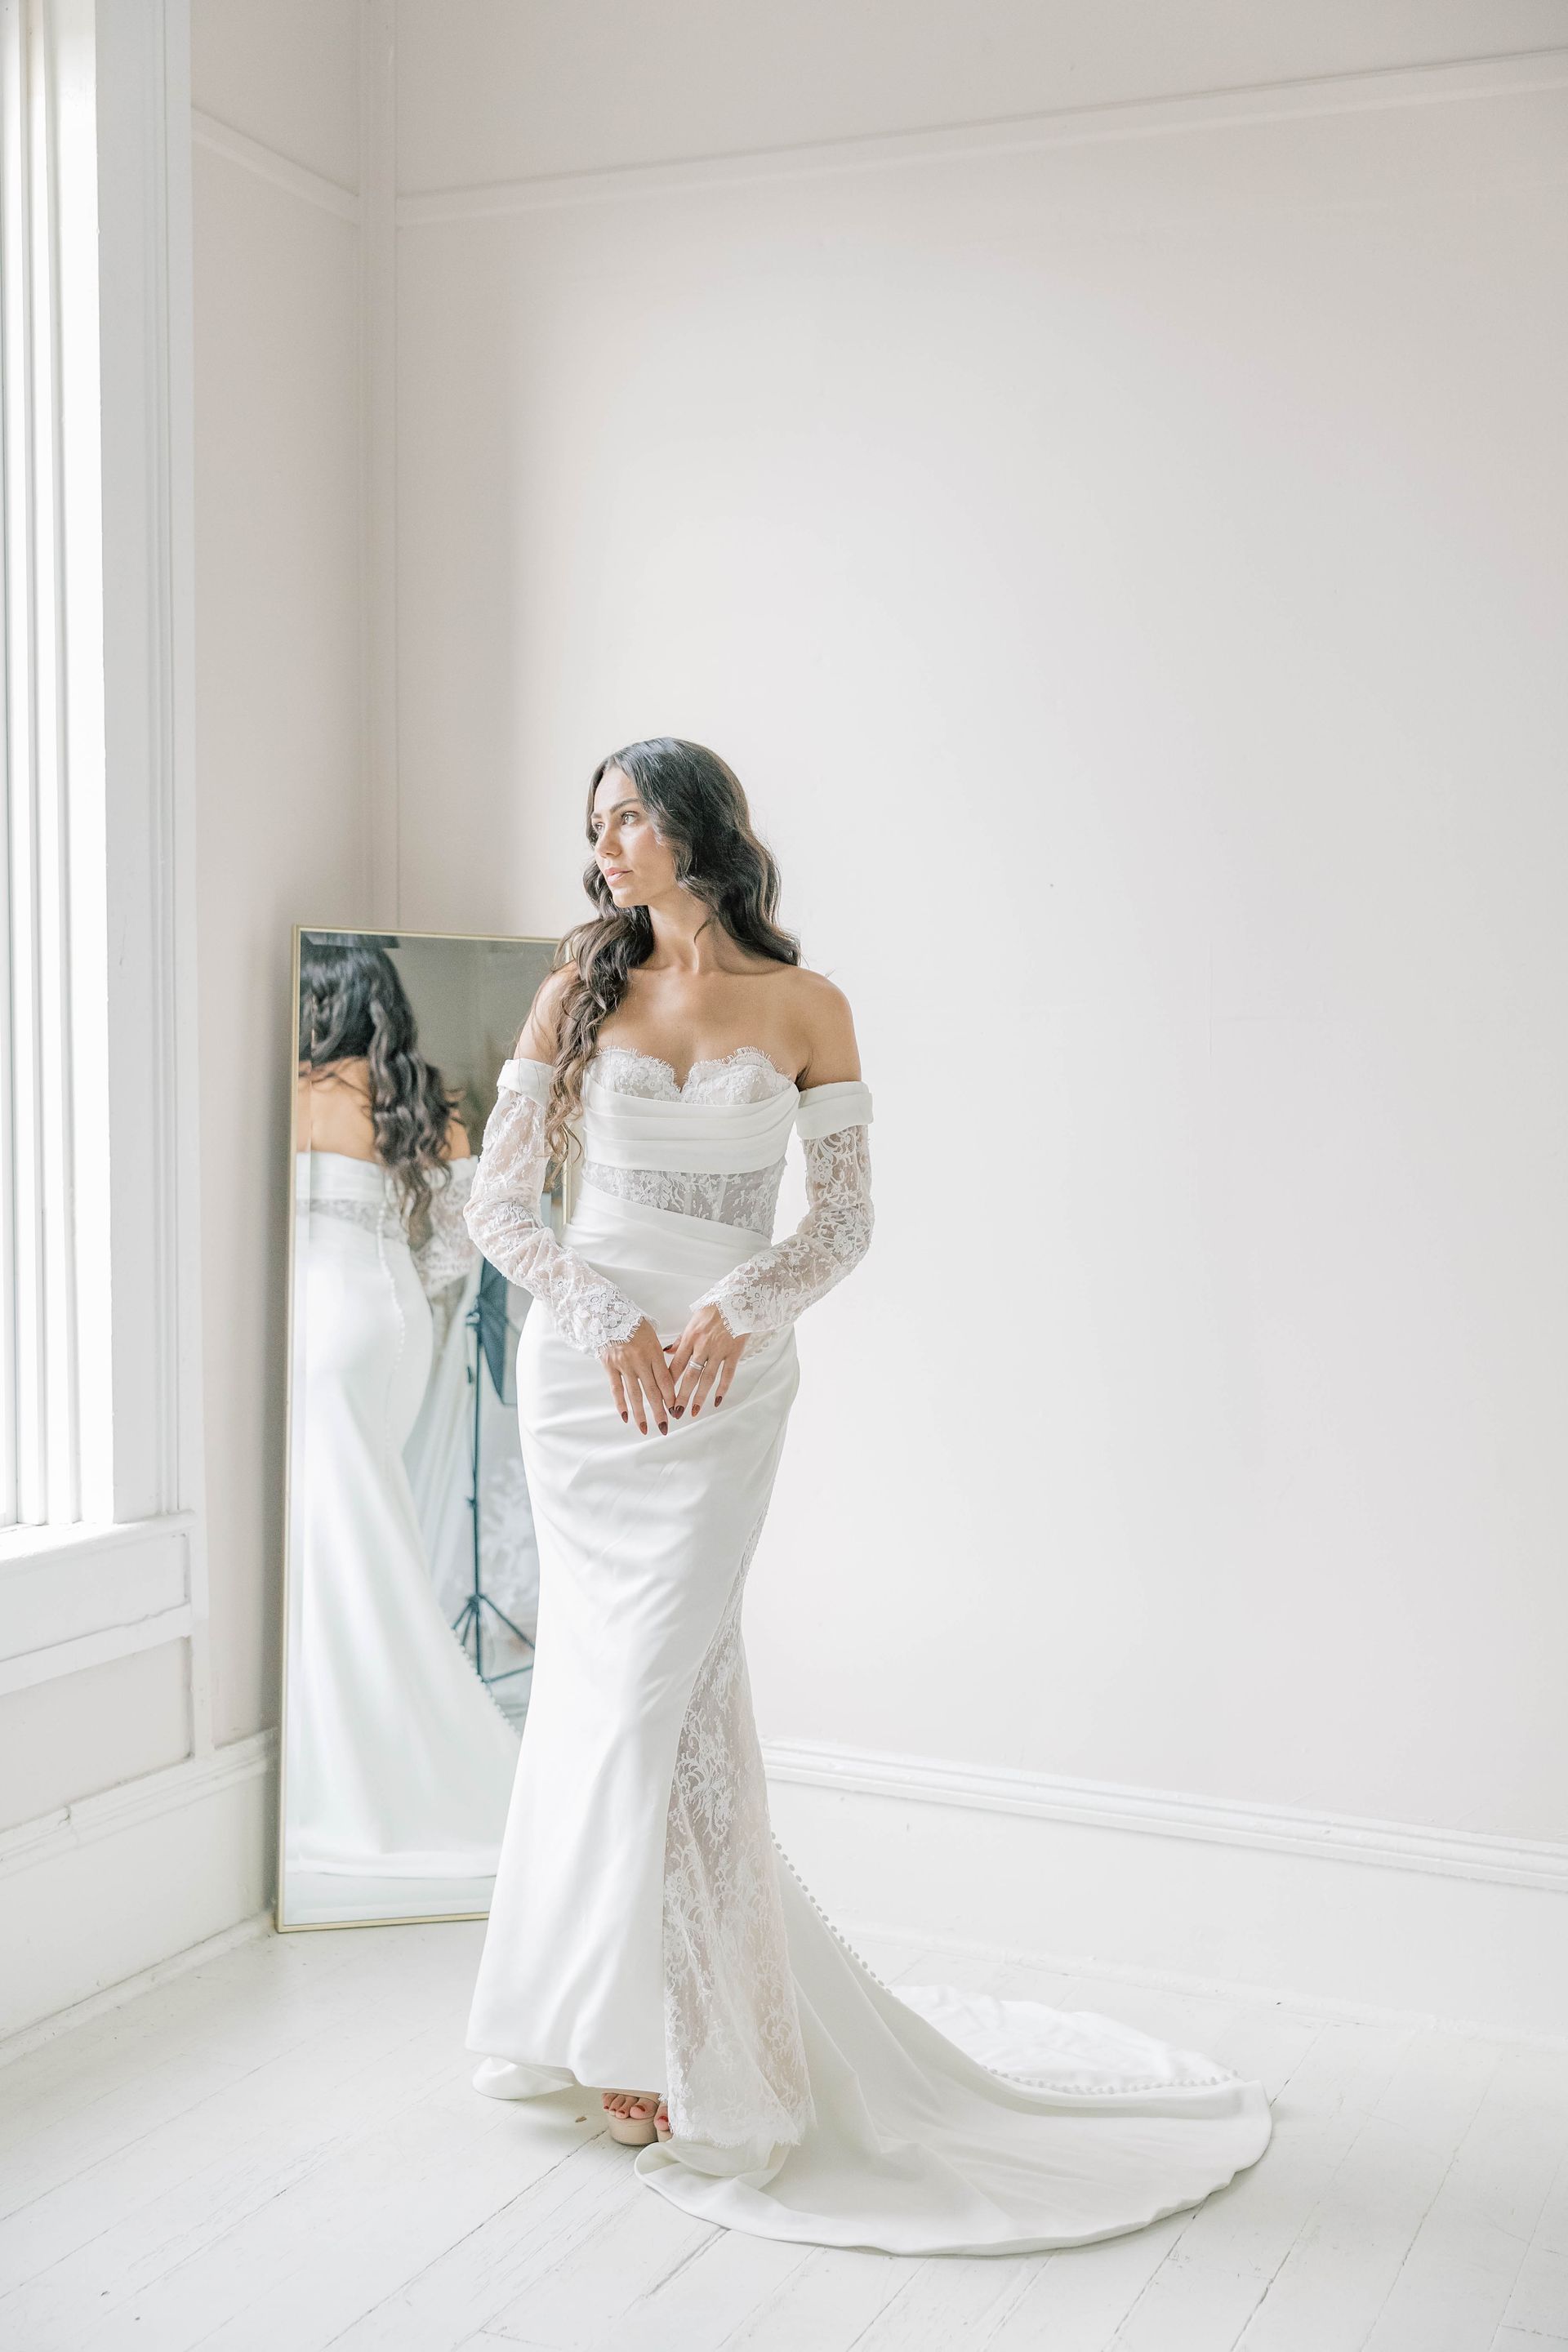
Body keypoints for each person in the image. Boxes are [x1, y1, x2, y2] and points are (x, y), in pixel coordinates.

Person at [461, 740, 1271, 2254]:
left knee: (661, 1683)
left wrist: (734, 1312)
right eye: (595, 825)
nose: (607, 845)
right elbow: (499, 1203)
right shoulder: (582, 988)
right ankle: (630, 2025)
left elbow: (843, 1222)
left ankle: (668, 2028)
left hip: (723, 1377)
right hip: (591, 1375)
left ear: (696, 823)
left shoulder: (808, 1006)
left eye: (629, 816)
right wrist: (606, 1317)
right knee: (613, 1688)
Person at [287, 935, 519, 1890]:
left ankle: (354, 1755)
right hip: (387, 1327)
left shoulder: (294, 1094)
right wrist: (410, 1296)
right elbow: (459, 1245)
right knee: (365, 1531)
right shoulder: (421, 1101)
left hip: (315, 1323)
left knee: (339, 1541)